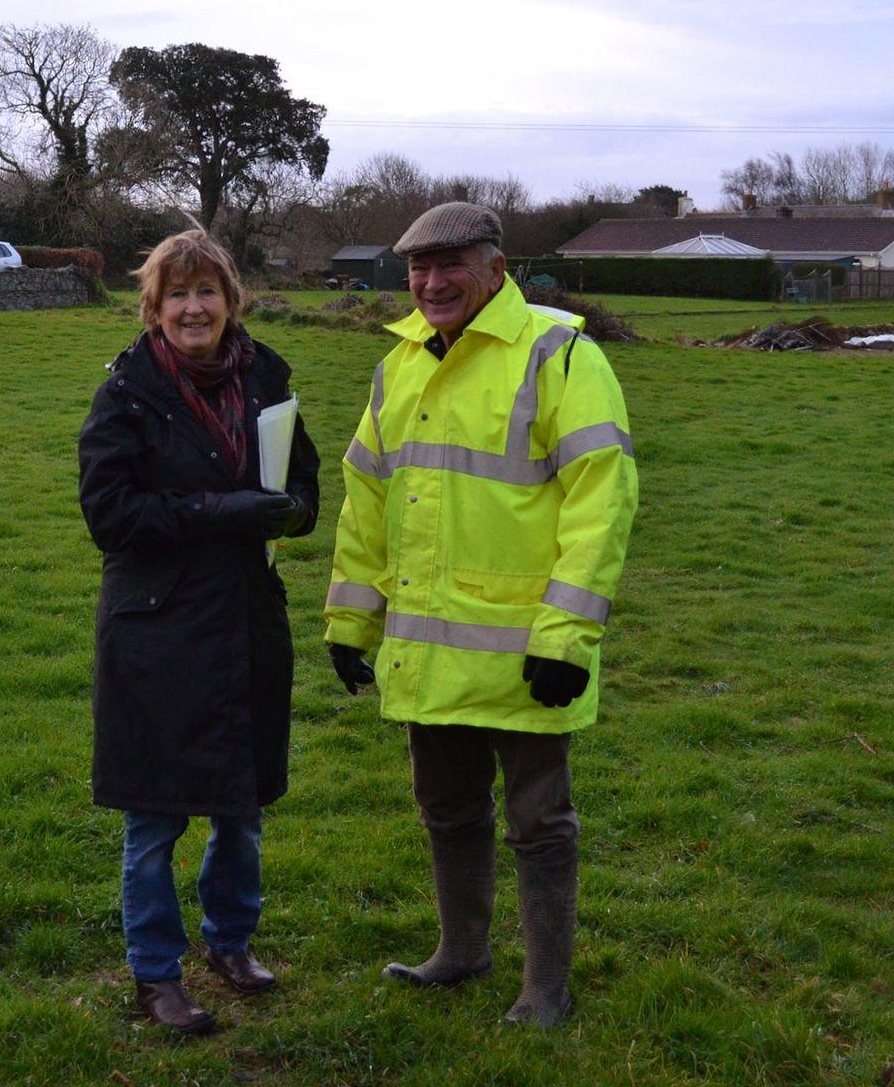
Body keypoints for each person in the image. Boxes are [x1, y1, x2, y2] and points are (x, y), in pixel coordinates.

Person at [322, 202, 637, 1028]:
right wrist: (351, 623)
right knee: (448, 808)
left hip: (528, 651)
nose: (430, 282)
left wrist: (568, 634)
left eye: (450, 264)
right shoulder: (400, 366)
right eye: (419, 269)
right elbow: (365, 501)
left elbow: (602, 499)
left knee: (539, 824)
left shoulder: (559, 353)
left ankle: (546, 991)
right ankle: (460, 953)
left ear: (496, 269)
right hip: (429, 646)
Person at [77, 230, 321, 1035]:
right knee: (154, 821)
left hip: (246, 620)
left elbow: (306, 472)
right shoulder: (127, 393)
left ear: (230, 301)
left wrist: (296, 507)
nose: (193, 308)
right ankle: (156, 975)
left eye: (206, 292)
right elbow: (109, 516)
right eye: (176, 294)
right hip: (156, 629)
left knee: (242, 808)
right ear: (153, 307)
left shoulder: (265, 375)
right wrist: (225, 513)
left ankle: (231, 943)